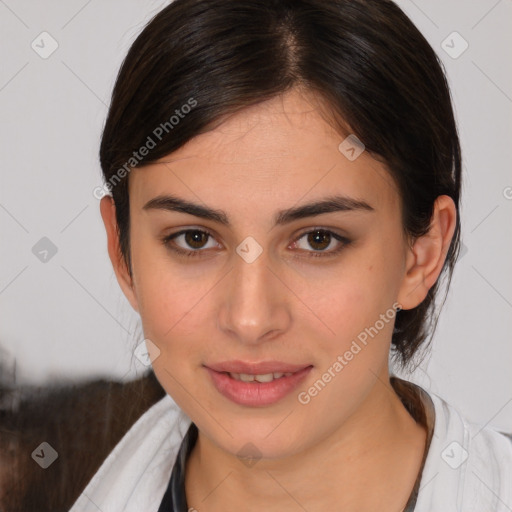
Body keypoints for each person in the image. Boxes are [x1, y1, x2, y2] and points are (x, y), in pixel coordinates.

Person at [69, 0, 512, 510]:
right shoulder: (34, 478)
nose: (251, 319)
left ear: (421, 255)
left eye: (318, 239)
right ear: (122, 254)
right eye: (194, 239)